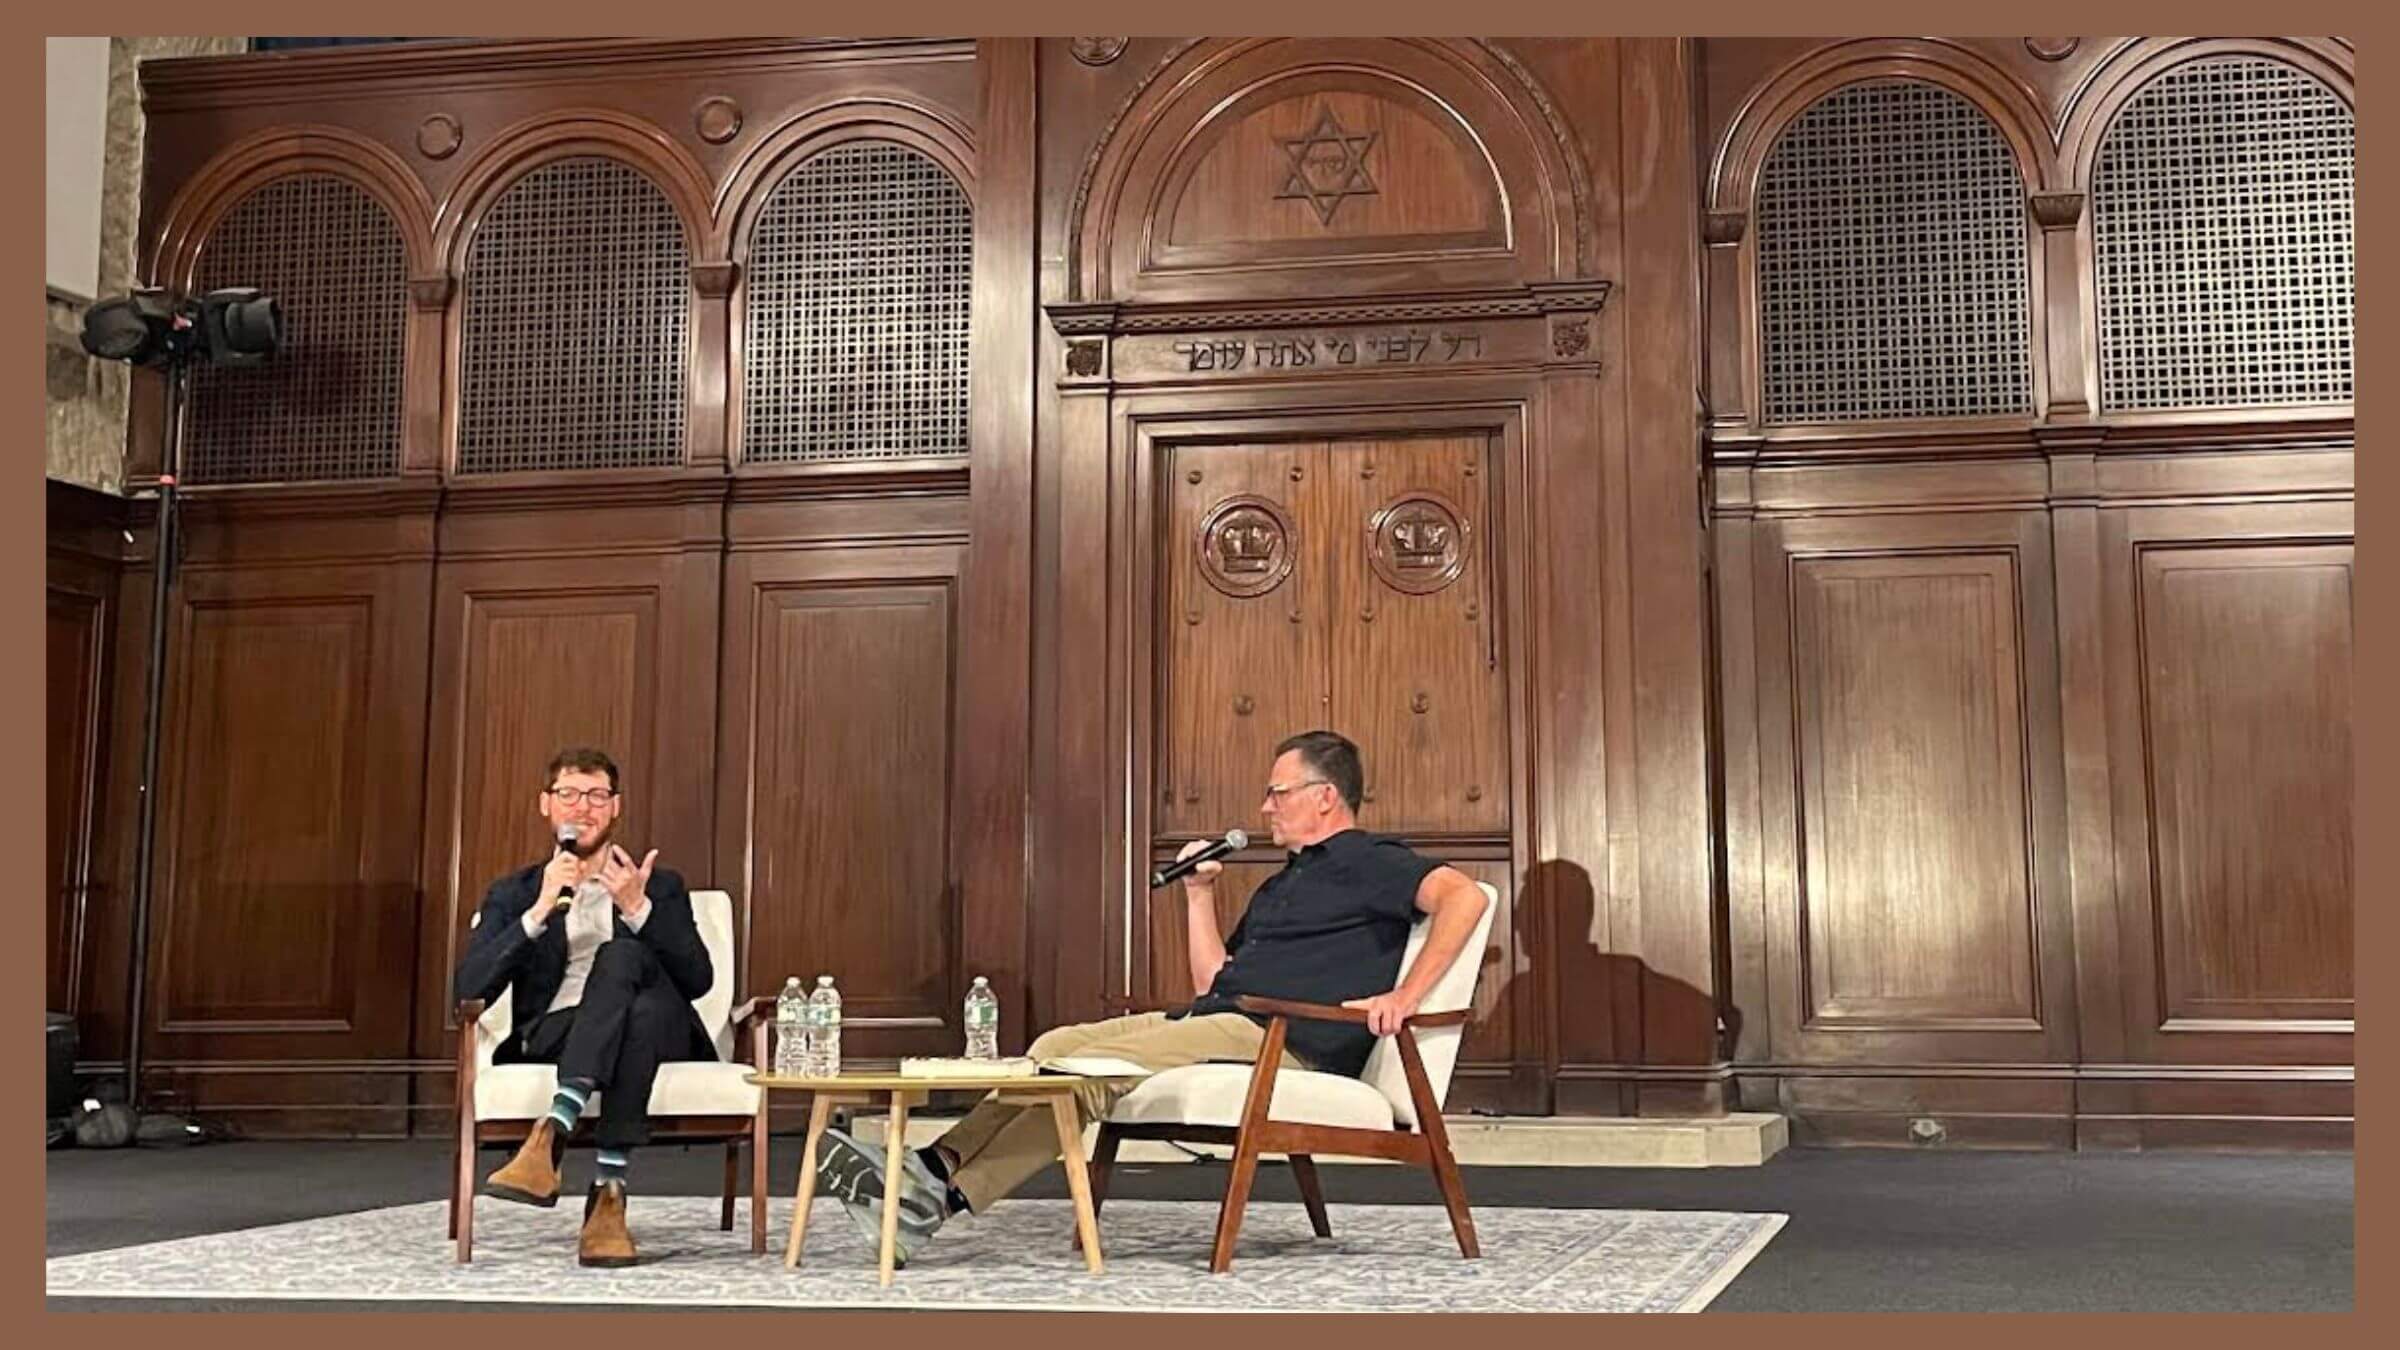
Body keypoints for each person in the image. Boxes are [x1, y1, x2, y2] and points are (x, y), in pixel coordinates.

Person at [810, 729, 1489, 1263]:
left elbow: (1462, 895)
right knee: (1057, 1047)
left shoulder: (1372, 859)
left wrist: (1406, 992)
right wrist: (1199, 895)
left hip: (1290, 1039)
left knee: (1094, 1069)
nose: (1264, 807)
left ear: (1324, 796)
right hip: (1224, 1017)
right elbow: (1210, 981)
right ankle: (932, 1170)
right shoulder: (1282, 884)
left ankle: (940, 1196)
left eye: (1276, 792)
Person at [454, 747, 717, 1267]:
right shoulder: (516, 891)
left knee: (623, 958)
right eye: (569, 794)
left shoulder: (659, 885)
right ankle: (608, 1194)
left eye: (597, 796)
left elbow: (698, 981)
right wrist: (538, 911)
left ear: (615, 807)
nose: (583, 808)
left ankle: (555, 1124)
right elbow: (469, 985)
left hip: (667, 1029)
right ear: (546, 806)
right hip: (561, 1030)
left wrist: (638, 909)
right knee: (632, 1018)